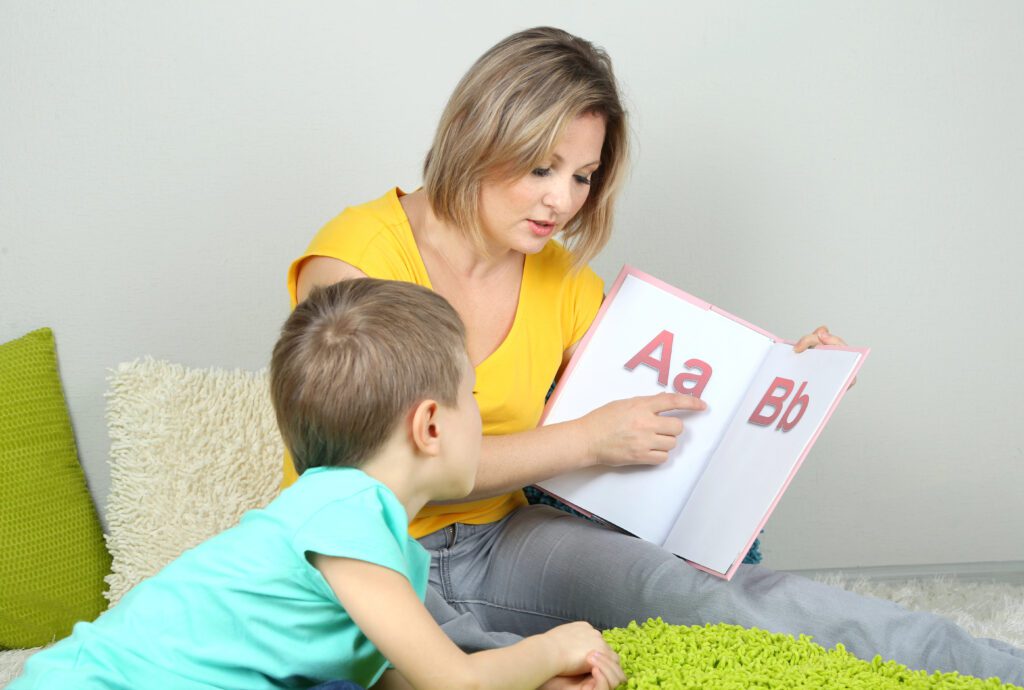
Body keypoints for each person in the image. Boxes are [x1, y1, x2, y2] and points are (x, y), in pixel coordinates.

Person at [286, 26, 1024, 686]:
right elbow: (372, 477)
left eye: (583, 175)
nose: (562, 202)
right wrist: (585, 438)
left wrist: (794, 384)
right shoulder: (356, 261)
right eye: (542, 168)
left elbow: (671, 409)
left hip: (501, 538)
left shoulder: (562, 280)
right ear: (478, 137)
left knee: (705, 598)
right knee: (451, 669)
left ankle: (990, 667)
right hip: (364, 549)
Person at [10, 279, 626, 690]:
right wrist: (558, 645)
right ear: (431, 425)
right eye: (472, 396)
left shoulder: (376, 541)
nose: (480, 413)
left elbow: (402, 679)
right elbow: (452, 683)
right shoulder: (344, 509)